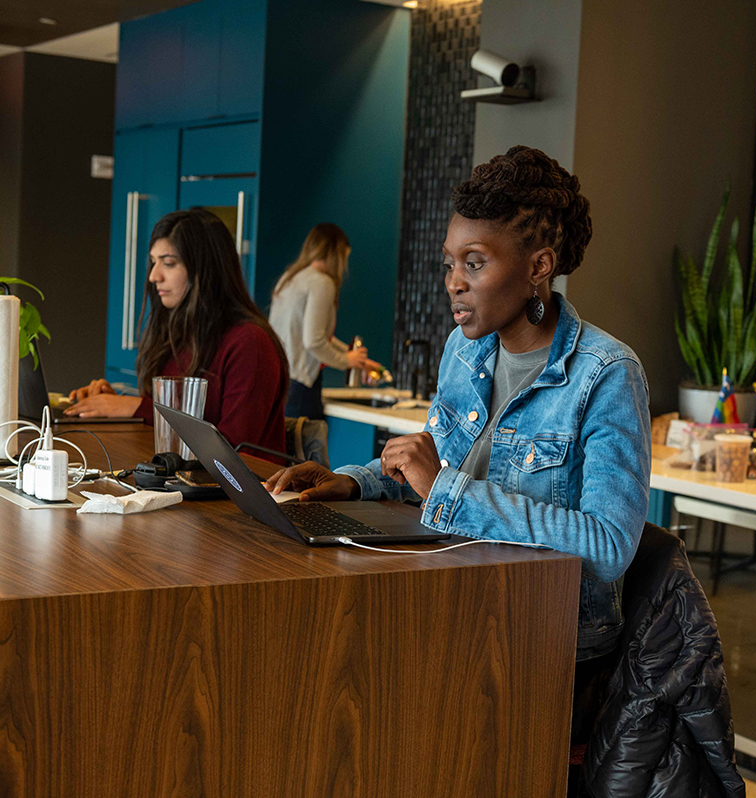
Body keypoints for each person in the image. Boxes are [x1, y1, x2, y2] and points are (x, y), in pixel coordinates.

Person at [265, 145, 651, 673]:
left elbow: (607, 547)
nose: (454, 282)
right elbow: (430, 468)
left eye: (474, 263)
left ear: (539, 266)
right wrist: (355, 482)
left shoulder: (605, 373)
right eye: (450, 263)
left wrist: (444, 488)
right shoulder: (463, 350)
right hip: (453, 600)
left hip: (546, 641)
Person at [67, 209, 289, 454]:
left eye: (169, 263)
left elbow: (233, 449)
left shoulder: (250, 342)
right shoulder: (176, 335)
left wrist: (135, 408)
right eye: (153, 262)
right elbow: (171, 431)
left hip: (236, 490)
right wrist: (113, 405)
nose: (153, 276)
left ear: (204, 270)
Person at [268, 223, 382, 419]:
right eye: (345, 258)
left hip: (279, 381)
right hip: (301, 389)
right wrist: (346, 360)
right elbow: (314, 341)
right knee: (304, 448)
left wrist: (356, 359)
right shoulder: (322, 282)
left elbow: (317, 337)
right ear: (336, 255)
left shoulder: (290, 277)